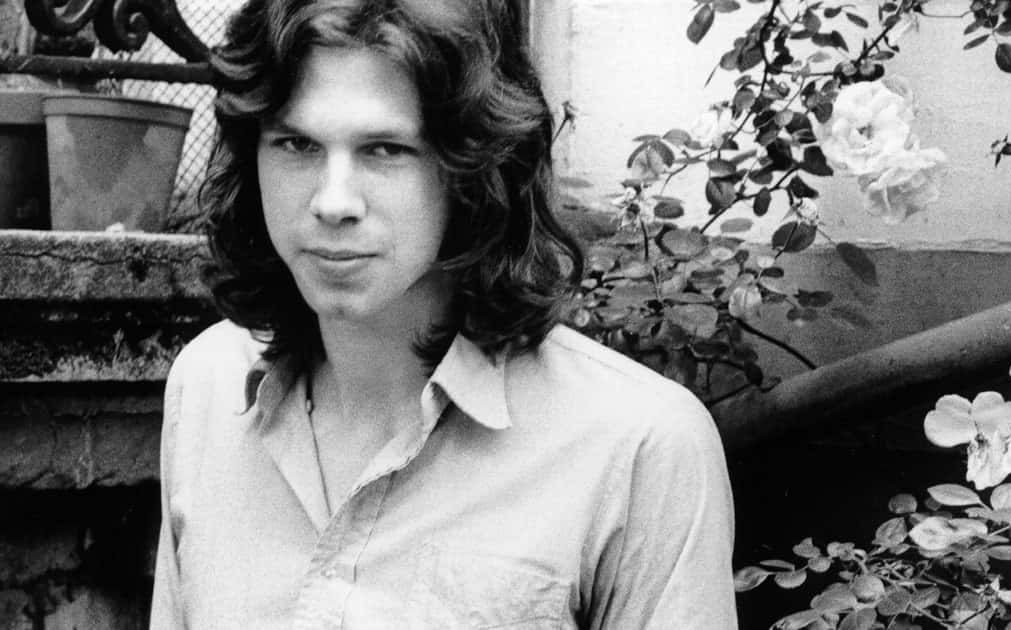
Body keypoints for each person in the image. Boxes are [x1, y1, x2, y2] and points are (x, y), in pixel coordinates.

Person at [149, 0, 737, 628]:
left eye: (385, 149)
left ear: (474, 168)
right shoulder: (208, 386)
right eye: (297, 144)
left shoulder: (639, 447)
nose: (333, 201)